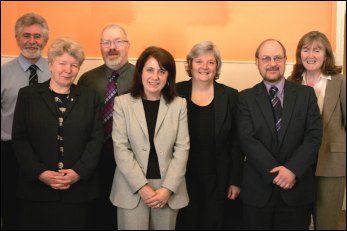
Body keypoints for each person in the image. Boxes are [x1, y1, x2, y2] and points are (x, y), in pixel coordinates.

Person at [11, 37, 103, 229]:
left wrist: (78, 172)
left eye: (74, 65)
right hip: (37, 191)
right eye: (62, 63)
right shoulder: (28, 95)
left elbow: (96, 139)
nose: (68, 70)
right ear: (51, 64)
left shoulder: (89, 96)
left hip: (78, 192)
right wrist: (40, 172)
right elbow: (20, 139)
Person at [237, 39, 323, 230]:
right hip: (258, 191)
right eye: (266, 58)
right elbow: (246, 139)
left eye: (277, 58)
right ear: (257, 62)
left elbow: (314, 136)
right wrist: (276, 173)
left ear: (285, 60)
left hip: (297, 189)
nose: (272, 63)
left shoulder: (306, 95)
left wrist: (292, 170)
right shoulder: (245, 98)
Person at [109, 46, 190, 230]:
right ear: (140, 72)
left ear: (169, 76)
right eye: (150, 70)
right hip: (131, 188)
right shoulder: (122, 103)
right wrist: (142, 187)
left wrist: (167, 189)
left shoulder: (179, 105)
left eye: (162, 71)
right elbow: (121, 148)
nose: (155, 77)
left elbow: (182, 149)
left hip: (168, 190)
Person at [175, 41, 243, 230]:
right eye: (199, 61)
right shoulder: (176, 92)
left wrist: (235, 181)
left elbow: (236, 143)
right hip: (183, 177)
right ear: (190, 64)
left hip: (218, 178)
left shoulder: (230, 96)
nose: (204, 67)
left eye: (211, 62)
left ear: (217, 66)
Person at [77, 24, 134, 229]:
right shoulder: (87, 80)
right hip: (94, 159)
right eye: (106, 42)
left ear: (128, 45)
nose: (112, 47)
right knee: (97, 214)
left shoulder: (142, 78)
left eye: (118, 41)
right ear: (100, 47)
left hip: (130, 160)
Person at [288, 31, 346, 230]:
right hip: (297, 164)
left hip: (331, 164)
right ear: (299, 54)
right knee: (297, 221)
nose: (310, 55)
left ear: (326, 54)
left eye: (317, 50)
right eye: (306, 49)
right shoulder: (291, 82)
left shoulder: (339, 82)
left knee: (326, 223)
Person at [1, 12, 51, 230]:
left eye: (38, 36)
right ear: (17, 38)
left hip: (46, 152)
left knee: (41, 211)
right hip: (9, 152)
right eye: (26, 35)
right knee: (11, 208)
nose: (32, 41)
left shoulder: (57, 71)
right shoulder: (3, 74)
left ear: (46, 40)